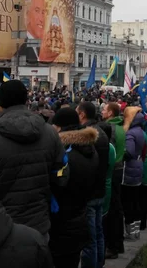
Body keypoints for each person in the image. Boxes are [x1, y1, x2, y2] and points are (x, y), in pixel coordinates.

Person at [0, 80, 66, 238]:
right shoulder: (50, 132)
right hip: (38, 224)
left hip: (0, 227)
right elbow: (62, 174)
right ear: (26, 100)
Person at [49, 108, 99, 268]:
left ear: (59, 127)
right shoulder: (90, 149)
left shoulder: (66, 155)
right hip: (80, 217)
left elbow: (58, 185)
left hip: (62, 223)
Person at [76, 101, 109, 268]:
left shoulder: (87, 134)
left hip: (89, 191)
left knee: (89, 238)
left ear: (82, 114)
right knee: (98, 232)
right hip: (100, 189)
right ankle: (100, 262)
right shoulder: (101, 131)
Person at [100, 101, 125, 259]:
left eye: (104, 109)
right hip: (119, 169)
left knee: (111, 211)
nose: (102, 111)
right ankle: (118, 244)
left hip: (112, 172)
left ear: (110, 113)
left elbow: (107, 152)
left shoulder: (110, 129)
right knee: (117, 208)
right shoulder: (121, 128)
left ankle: (112, 246)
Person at [121, 106, 145, 240]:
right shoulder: (140, 130)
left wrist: (120, 155)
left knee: (128, 201)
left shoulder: (130, 133)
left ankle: (129, 231)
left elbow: (129, 151)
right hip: (138, 165)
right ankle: (135, 230)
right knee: (135, 200)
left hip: (129, 169)